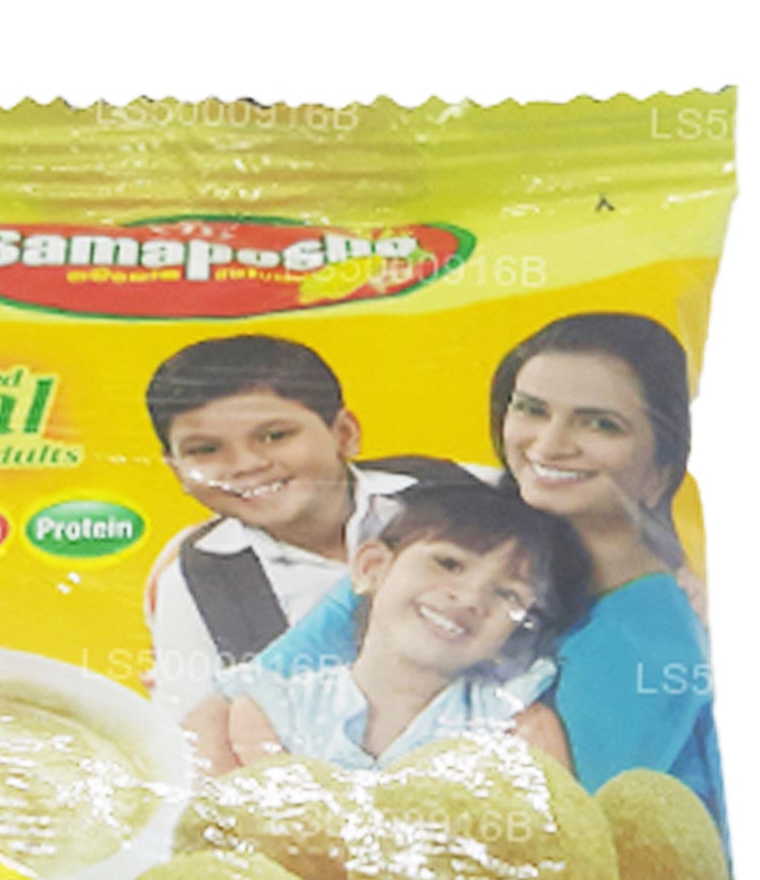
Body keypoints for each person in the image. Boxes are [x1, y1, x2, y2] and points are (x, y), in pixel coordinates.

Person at [245, 314, 727, 823]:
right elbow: (238, 700)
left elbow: (582, 840)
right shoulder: (449, 540)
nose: (549, 445)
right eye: (531, 410)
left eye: (601, 424)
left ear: (660, 470)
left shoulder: (648, 634)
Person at [141, 334, 463, 721]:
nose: (245, 465)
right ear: (176, 469)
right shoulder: (198, 581)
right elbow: (188, 726)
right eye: (205, 450)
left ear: (345, 434)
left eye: (274, 436)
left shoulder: (457, 492)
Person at [187, 483, 591, 773]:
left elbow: (548, 844)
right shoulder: (273, 706)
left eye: (507, 594)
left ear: (517, 632)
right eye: (449, 563)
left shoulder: (512, 725)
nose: (470, 599)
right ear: (372, 568)